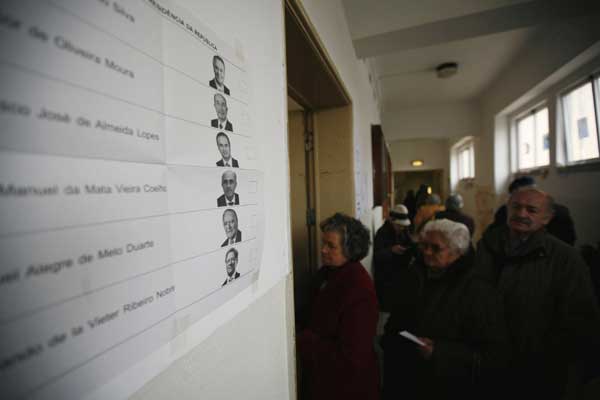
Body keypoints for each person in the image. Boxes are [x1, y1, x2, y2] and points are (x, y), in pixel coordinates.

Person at [475, 187, 600, 399]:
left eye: (531, 210)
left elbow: (580, 316)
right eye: (516, 207)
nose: (521, 214)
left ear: (546, 218)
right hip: (487, 357)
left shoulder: (565, 258)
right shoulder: (487, 245)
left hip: (538, 364)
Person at [382, 219, 509, 400]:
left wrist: (440, 352)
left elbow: (494, 354)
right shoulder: (416, 274)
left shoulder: (478, 289)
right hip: (408, 376)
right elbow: (397, 320)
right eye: (424, 245)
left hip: (449, 385)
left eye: (435, 248)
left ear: (458, 251)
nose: (426, 252)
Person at [297, 213, 379, 400]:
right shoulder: (328, 273)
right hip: (323, 379)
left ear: (350, 250)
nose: (323, 250)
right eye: (323, 243)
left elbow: (353, 357)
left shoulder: (359, 288)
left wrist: (305, 341)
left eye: (331, 246)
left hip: (347, 387)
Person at [487, 175, 576, 245]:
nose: (522, 214)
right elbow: (491, 236)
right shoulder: (504, 211)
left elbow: (567, 241)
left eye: (532, 210)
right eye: (517, 204)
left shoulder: (559, 213)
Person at [373, 204, 415, 311]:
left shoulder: (404, 231)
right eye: (398, 225)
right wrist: (391, 250)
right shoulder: (382, 233)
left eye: (403, 226)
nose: (401, 228)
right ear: (391, 221)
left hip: (400, 272)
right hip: (387, 277)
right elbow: (377, 256)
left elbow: (411, 244)